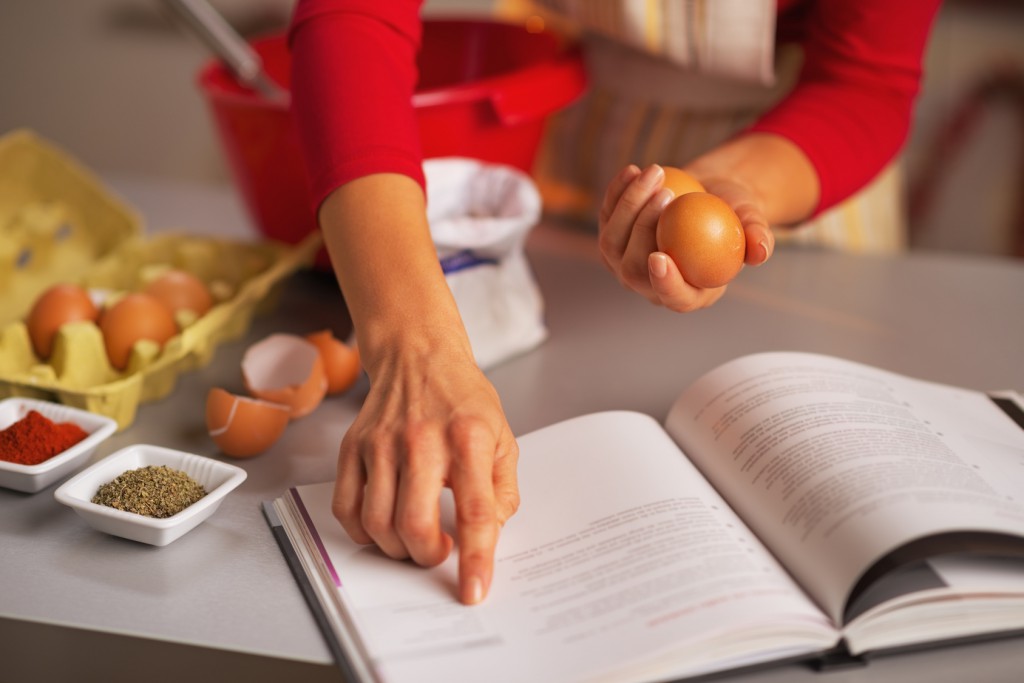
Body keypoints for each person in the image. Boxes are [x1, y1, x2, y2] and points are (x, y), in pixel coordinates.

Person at [286, 0, 941, 605]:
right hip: (579, 144)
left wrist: (736, 187)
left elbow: (864, 83)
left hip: (791, 172)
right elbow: (354, 17)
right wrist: (414, 349)